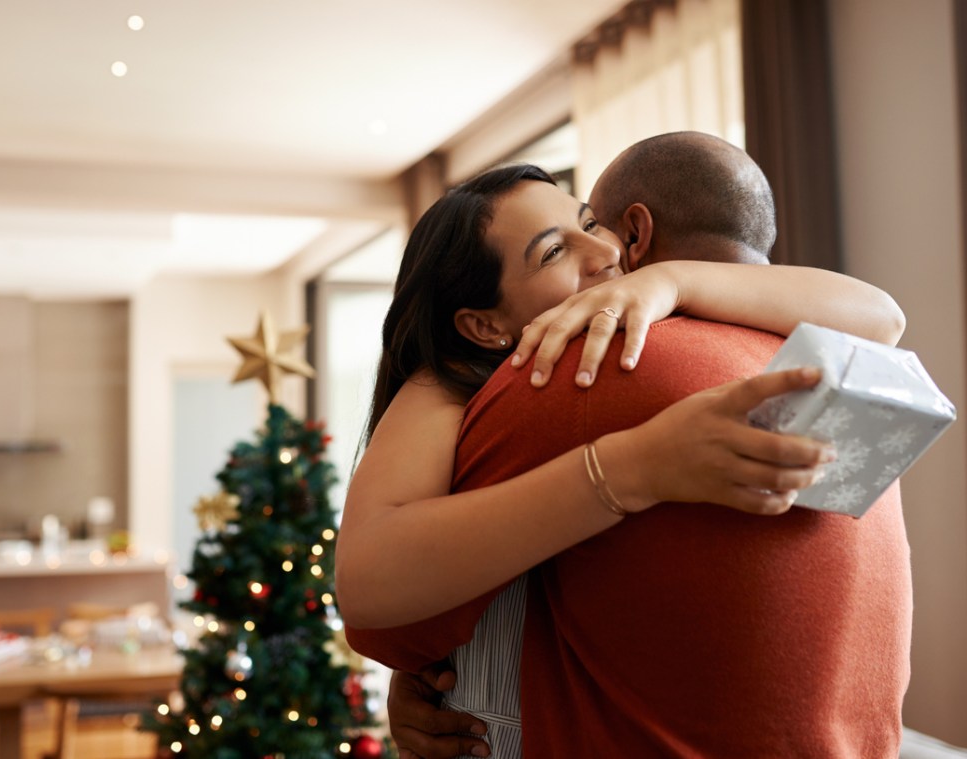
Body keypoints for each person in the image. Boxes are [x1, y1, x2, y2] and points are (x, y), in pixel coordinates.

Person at [341, 133, 910, 757]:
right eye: (554, 249)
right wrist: (631, 466)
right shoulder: (471, 384)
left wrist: (672, 281)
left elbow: (883, 314)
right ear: (482, 325)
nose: (605, 249)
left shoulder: (634, 339)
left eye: (590, 223)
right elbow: (375, 596)